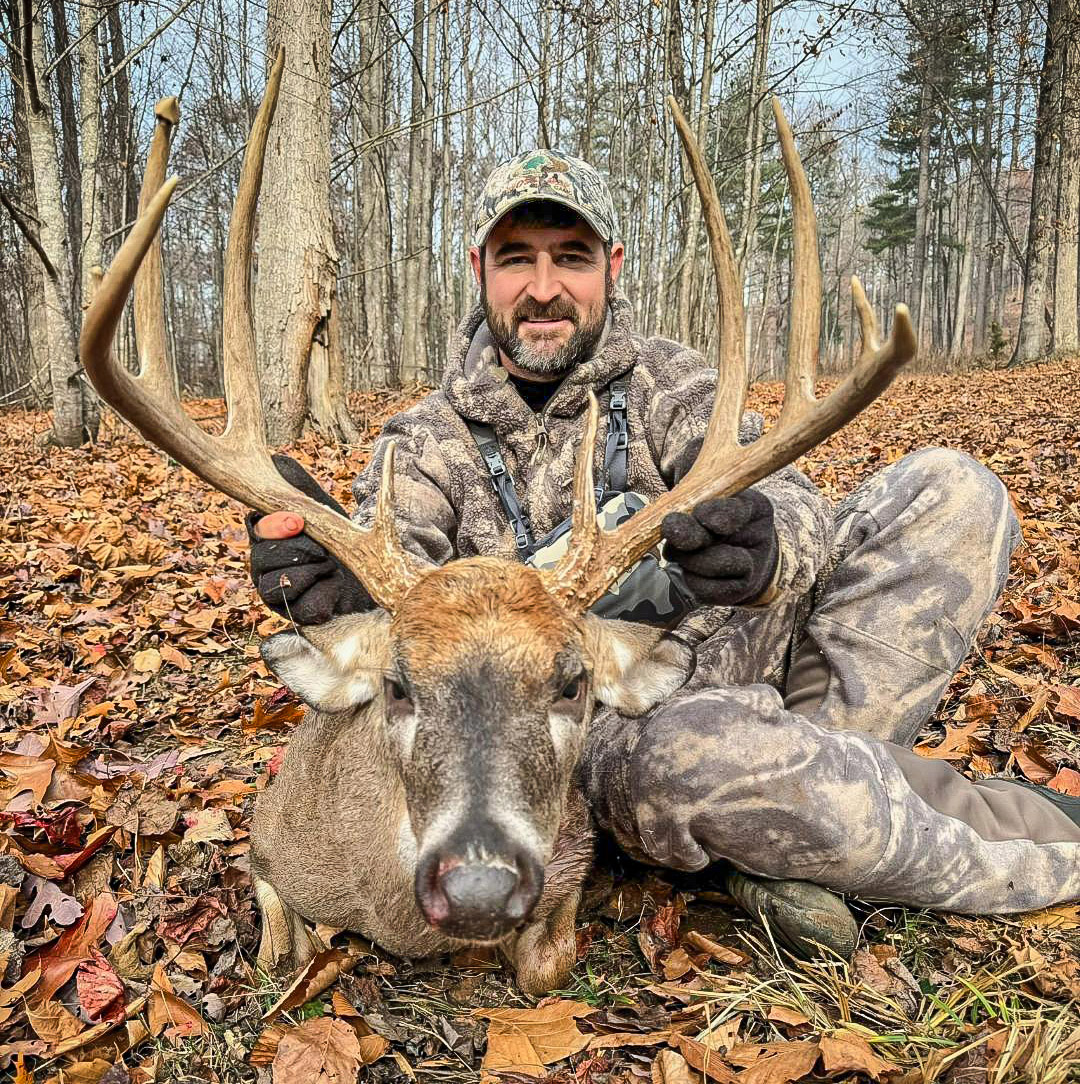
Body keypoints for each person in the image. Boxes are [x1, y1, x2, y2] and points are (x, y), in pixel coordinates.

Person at [249, 150, 1080, 958]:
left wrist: (767, 544)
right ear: (481, 269)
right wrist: (343, 582)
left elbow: (795, 504)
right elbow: (405, 585)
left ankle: (786, 828)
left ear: (612, 265)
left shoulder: (673, 387)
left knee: (954, 491)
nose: (544, 288)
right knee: (689, 761)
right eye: (517, 260)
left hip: (762, 656)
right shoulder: (426, 445)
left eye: (570, 257)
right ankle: (1031, 846)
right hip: (612, 719)